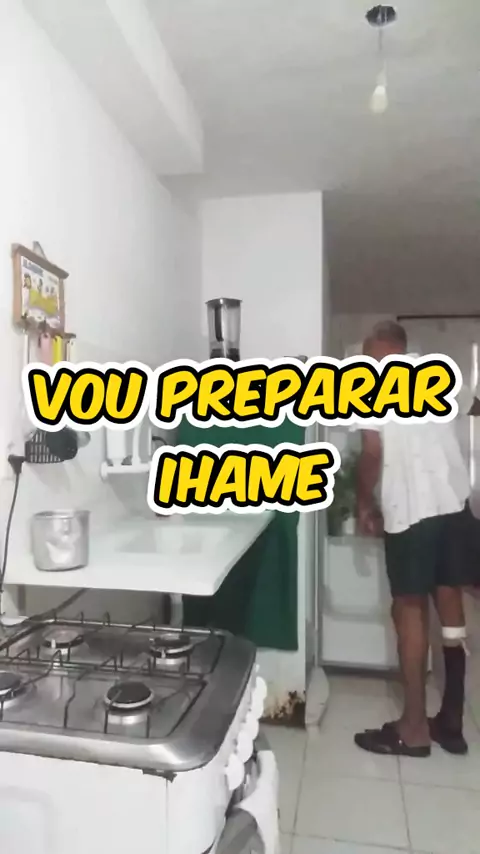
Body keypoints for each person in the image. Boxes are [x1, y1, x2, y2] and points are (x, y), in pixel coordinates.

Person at [353, 320, 479, 758]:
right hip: (454, 507)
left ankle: (413, 728)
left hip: (411, 511)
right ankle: (451, 721)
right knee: (450, 602)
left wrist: (362, 503)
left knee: (408, 610)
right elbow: (473, 404)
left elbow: (372, 454)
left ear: (380, 349)